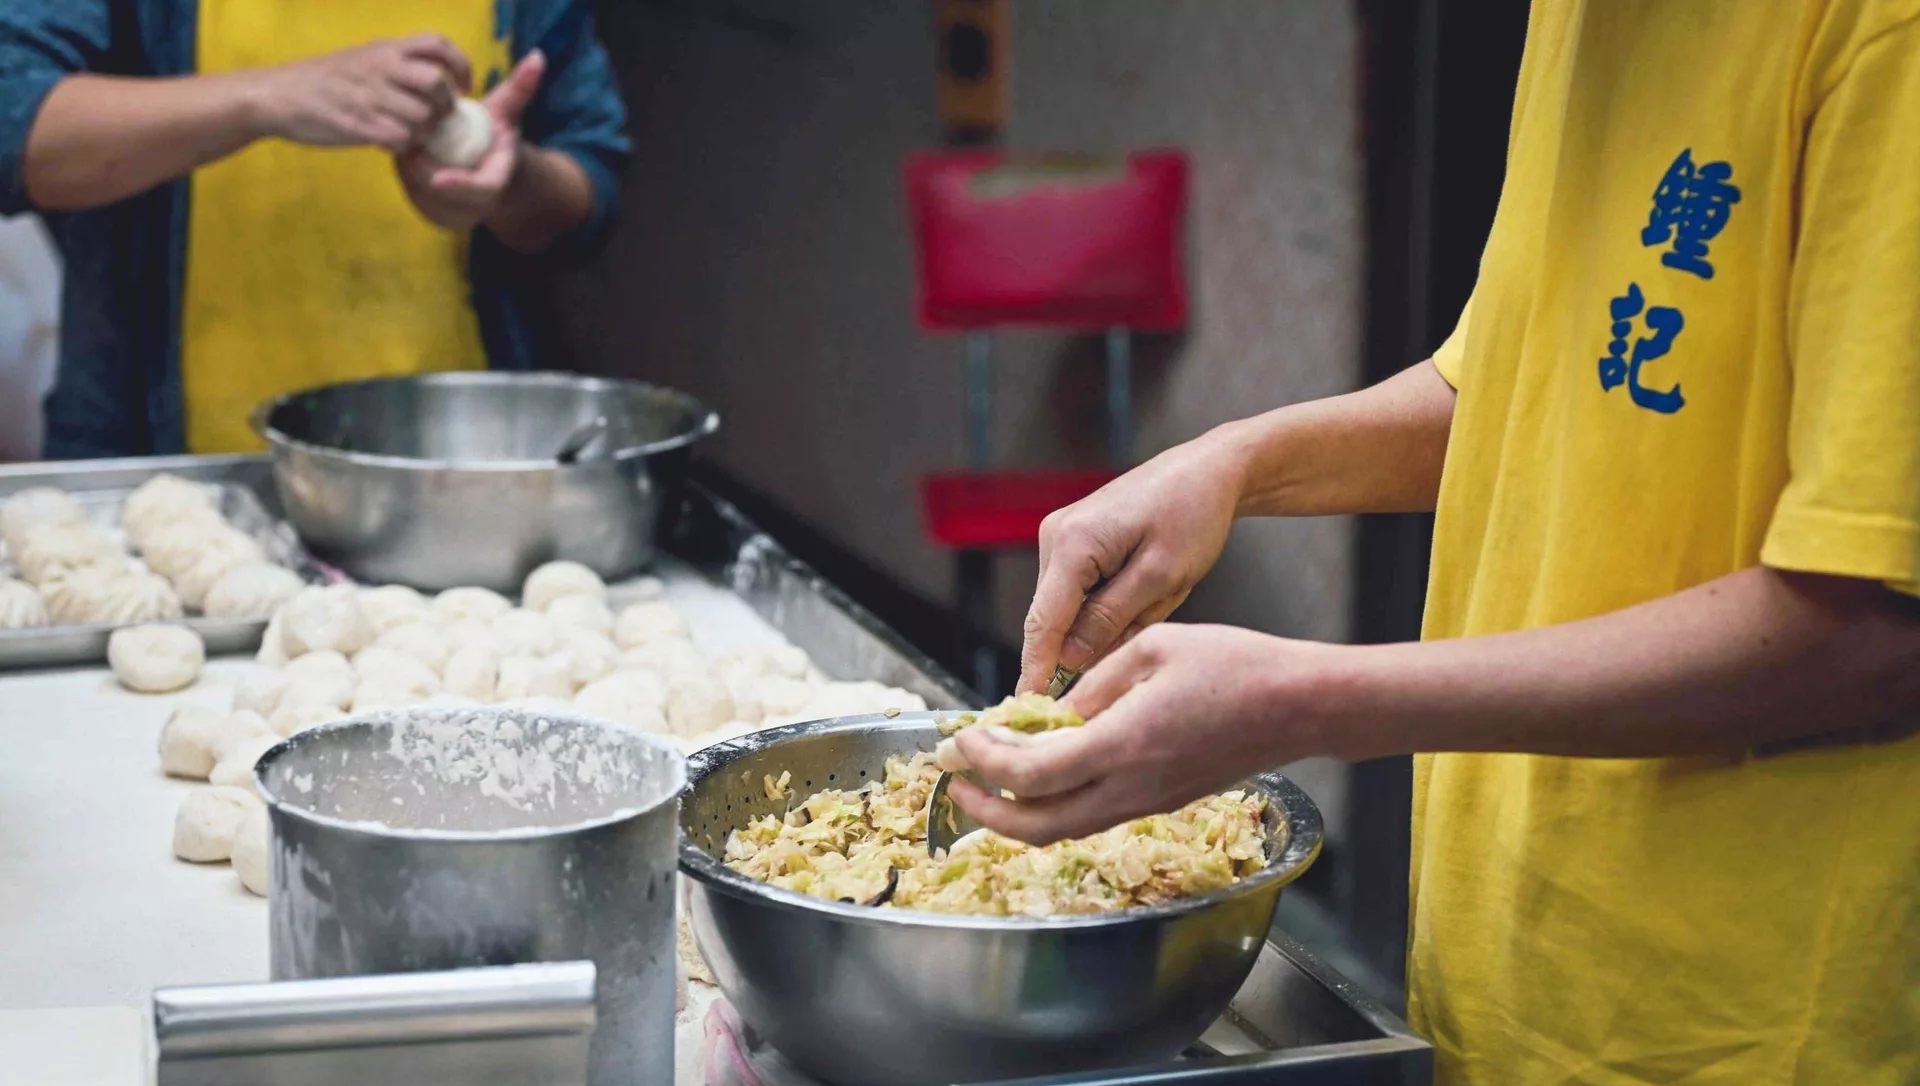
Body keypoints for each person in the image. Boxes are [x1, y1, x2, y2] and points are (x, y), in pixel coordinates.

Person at [950, 2, 1920, 1083]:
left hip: (1749, 1026)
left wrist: (1302, 699)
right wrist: (1234, 463)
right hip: (1509, 979)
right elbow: (1525, 390)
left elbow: (1874, 631)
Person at [0, 2, 628, 457]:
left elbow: (588, 193)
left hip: (454, 471)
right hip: (167, 467)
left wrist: (505, 183)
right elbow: (16, 132)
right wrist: (267, 98)